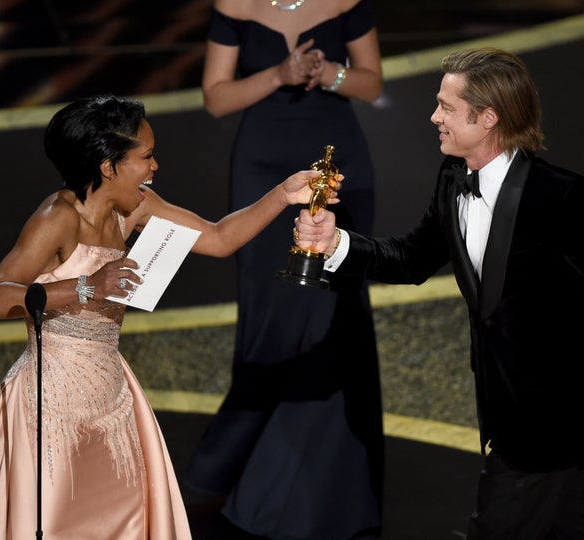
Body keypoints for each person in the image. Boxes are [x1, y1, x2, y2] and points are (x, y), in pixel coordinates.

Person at [294, 47, 584, 539]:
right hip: (504, 416)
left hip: (552, 425)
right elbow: (411, 259)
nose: (434, 117)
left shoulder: (559, 197)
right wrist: (336, 242)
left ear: (488, 117)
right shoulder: (453, 177)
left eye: (446, 108)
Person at [0, 94, 332, 539]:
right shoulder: (56, 217)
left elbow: (218, 238)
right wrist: (87, 286)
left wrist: (282, 195)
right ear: (108, 166)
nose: (155, 167)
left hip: (111, 397)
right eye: (146, 156)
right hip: (49, 408)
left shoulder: (135, 207)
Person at [184, 1, 385, 538]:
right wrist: (279, 74)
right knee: (271, 307)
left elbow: (370, 84)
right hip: (262, 165)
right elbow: (216, 98)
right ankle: (241, 461)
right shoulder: (233, 6)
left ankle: (331, 478)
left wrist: (328, 73)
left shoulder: (347, 4)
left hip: (338, 163)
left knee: (335, 306)